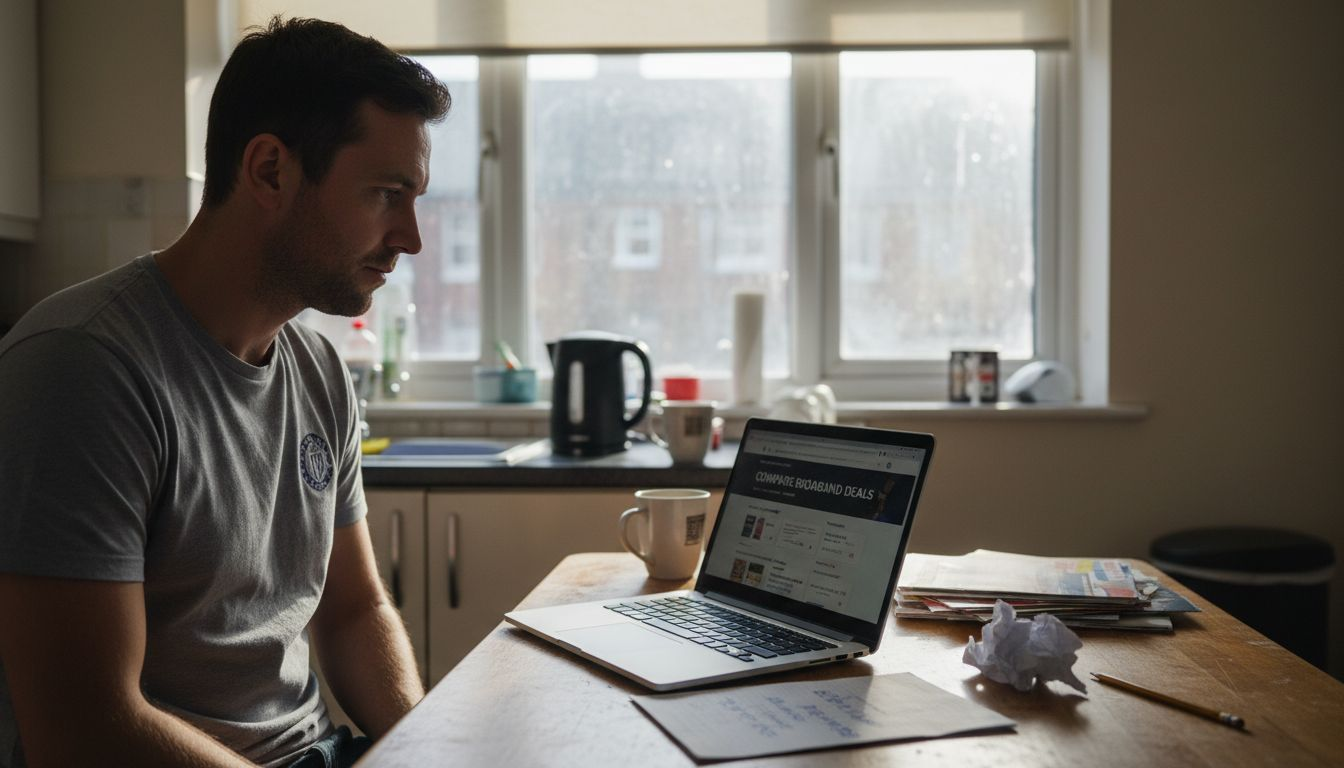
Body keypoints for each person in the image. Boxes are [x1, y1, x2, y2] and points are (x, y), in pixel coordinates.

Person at [0, 17, 450, 768]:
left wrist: (435, 750)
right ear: (270, 171)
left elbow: (353, 611)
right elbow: (85, 728)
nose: (411, 237)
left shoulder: (318, 373)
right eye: (385, 194)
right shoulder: (83, 371)